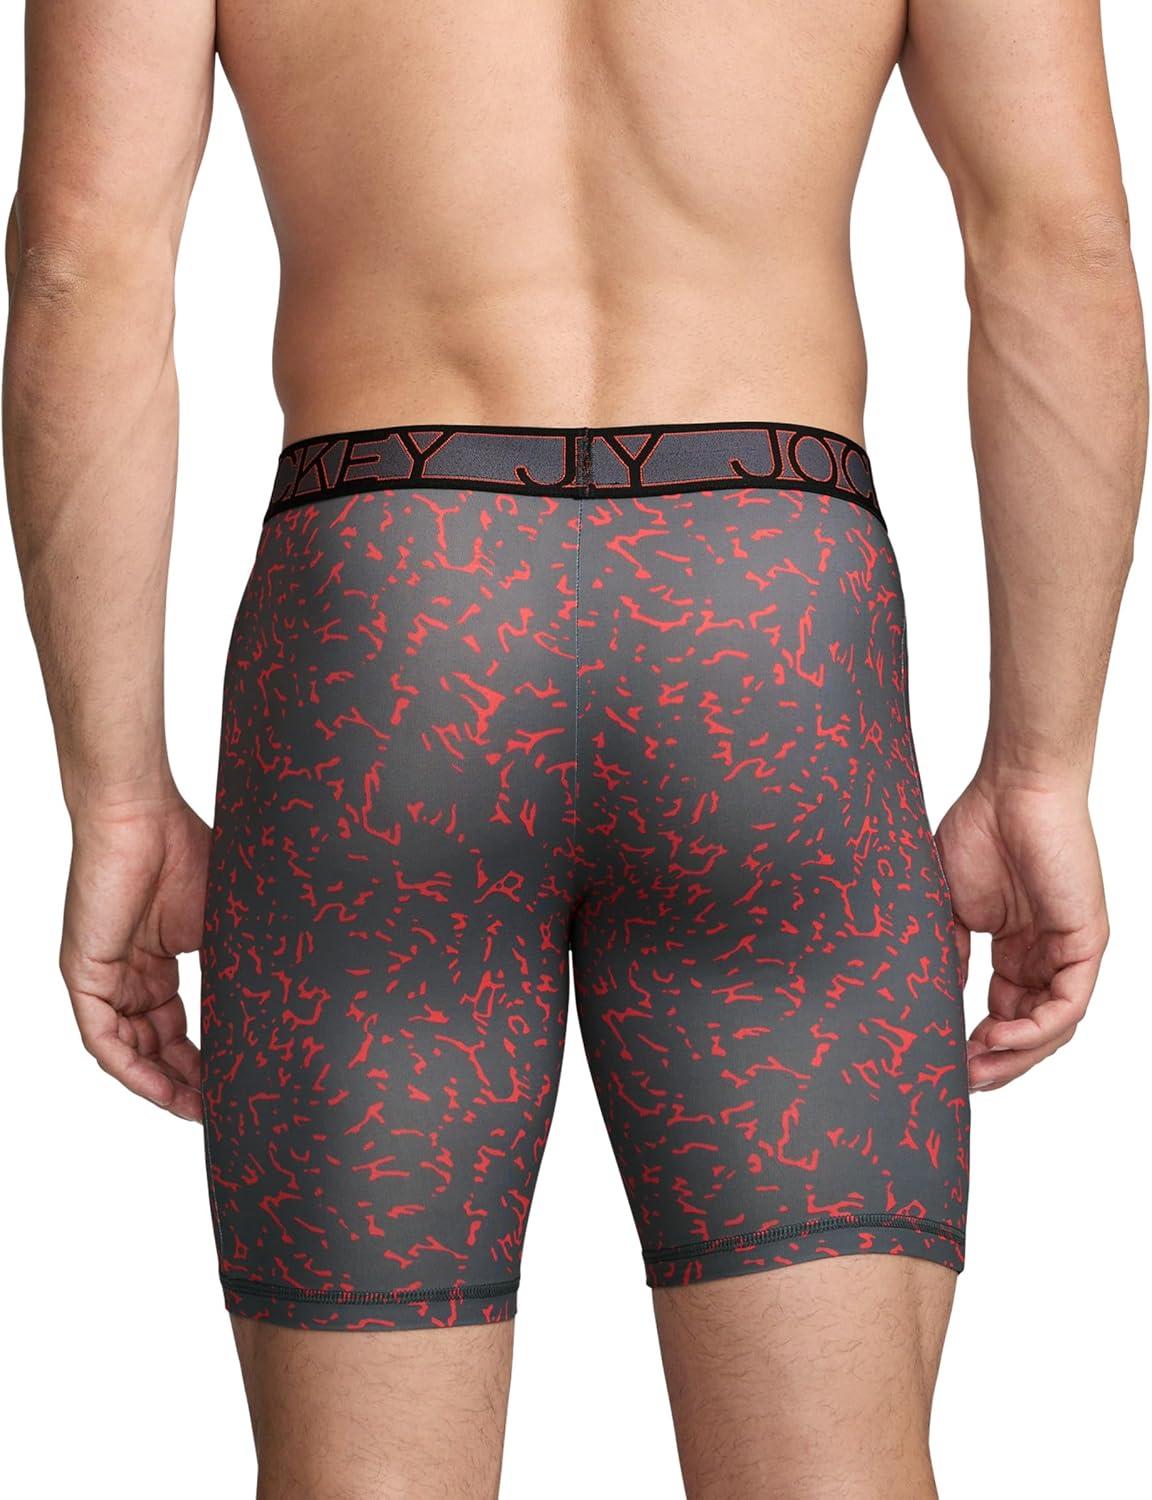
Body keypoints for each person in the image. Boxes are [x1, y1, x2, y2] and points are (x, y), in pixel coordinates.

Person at [4, 1, 1145, 1495]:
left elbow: (81, 262)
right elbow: (1058, 245)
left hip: (393, 628)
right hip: (767, 628)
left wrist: (113, 793)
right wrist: (1044, 765)